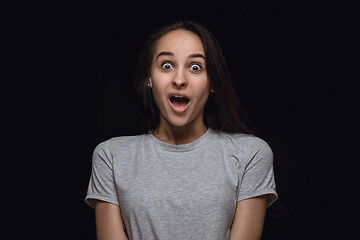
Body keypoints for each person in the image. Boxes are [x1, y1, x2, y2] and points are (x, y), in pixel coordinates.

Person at [85, 20, 277, 240]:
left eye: (195, 67)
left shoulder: (250, 155)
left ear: (212, 81)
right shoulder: (111, 156)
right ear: (150, 77)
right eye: (167, 65)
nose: (179, 80)